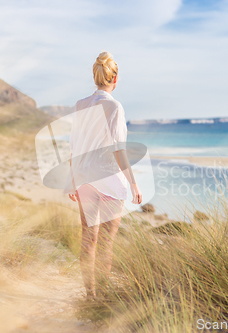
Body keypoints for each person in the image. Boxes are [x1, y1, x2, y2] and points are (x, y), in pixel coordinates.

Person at [67, 51, 142, 298]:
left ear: (95, 77)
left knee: (88, 239)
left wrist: (72, 181)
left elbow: (74, 147)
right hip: (110, 181)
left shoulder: (80, 105)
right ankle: (104, 297)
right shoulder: (115, 107)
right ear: (115, 79)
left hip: (85, 180)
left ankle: (90, 296)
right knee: (106, 244)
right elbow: (119, 150)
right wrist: (133, 184)